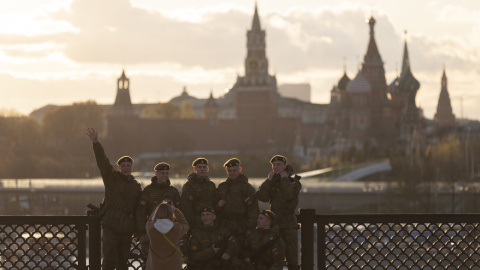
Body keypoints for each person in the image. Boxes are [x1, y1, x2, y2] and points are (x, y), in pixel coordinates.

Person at [85, 127, 142, 270]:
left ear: (132, 168)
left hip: (126, 228)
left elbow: (138, 209)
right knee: (109, 259)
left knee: (123, 261)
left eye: (128, 166)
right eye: (123, 166)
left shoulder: (136, 186)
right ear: (119, 167)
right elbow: (102, 162)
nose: (126, 168)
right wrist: (96, 143)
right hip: (110, 225)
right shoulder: (112, 178)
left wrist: (138, 229)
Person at [256, 155, 302, 270]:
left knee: (292, 258)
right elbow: (261, 197)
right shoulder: (272, 182)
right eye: (274, 165)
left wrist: (284, 179)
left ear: (285, 166)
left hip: (289, 224)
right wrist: (268, 180)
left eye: (278, 164)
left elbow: (289, 196)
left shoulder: (294, 182)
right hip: (274, 225)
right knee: (275, 258)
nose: (275, 167)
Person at [136, 162, 181, 262]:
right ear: (156, 173)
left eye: (166, 173)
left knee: (168, 261)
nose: (165, 175)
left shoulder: (173, 191)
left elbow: (180, 213)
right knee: (149, 260)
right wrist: (141, 233)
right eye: (162, 173)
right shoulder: (148, 191)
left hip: (169, 230)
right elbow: (141, 213)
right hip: (152, 230)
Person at [216, 158, 259, 253]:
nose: (232, 173)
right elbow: (214, 209)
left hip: (241, 227)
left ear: (239, 170)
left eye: (234, 170)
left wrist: (250, 228)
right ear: (226, 171)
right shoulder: (222, 187)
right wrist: (218, 206)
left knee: (241, 253)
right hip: (225, 226)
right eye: (230, 171)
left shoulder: (247, 188)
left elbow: (253, 210)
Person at [179, 158, 217, 253]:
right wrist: (192, 226)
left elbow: (214, 204)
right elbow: (186, 208)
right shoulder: (189, 186)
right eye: (199, 167)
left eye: (204, 167)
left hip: (209, 225)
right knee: (194, 251)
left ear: (207, 169)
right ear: (195, 169)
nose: (202, 169)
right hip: (195, 224)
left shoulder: (211, 185)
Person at [145, 202, 189, 270]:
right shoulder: (176, 228)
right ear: (171, 213)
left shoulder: (151, 228)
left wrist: (157, 208)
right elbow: (185, 224)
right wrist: (175, 209)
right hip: (173, 265)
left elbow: (149, 220)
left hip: (155, 265)